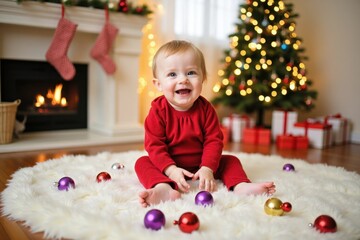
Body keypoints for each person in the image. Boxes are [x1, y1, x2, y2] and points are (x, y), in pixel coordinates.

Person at [135, 40, 276, 208]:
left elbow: (214, 140)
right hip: (169, 165)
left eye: (191, 73)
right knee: (143, 162)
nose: (183, 80)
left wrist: (208, 168)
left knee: (230, 160)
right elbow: (155, 145)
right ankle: (163, 187)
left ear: (203, 79)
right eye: (172, 74)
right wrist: (171, 170)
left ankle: (240, 185)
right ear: (159, 84)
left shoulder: (206, 109)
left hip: (202, 165)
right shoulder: (157, 111)